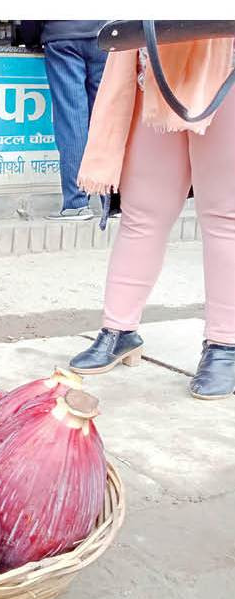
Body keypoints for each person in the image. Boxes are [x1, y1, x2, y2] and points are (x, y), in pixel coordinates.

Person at [69, 36, 235, 400]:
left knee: (224, 218)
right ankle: (118, 330)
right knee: (141, 213)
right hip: (157, 61)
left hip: (225, 60)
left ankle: (225, 343)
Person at [21, 20, 109, 221]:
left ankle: (77, 203)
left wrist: (31, 38)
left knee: (71, 119)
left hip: (62, 36)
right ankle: (112, 201)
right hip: (104, 34)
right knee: (106, 119)